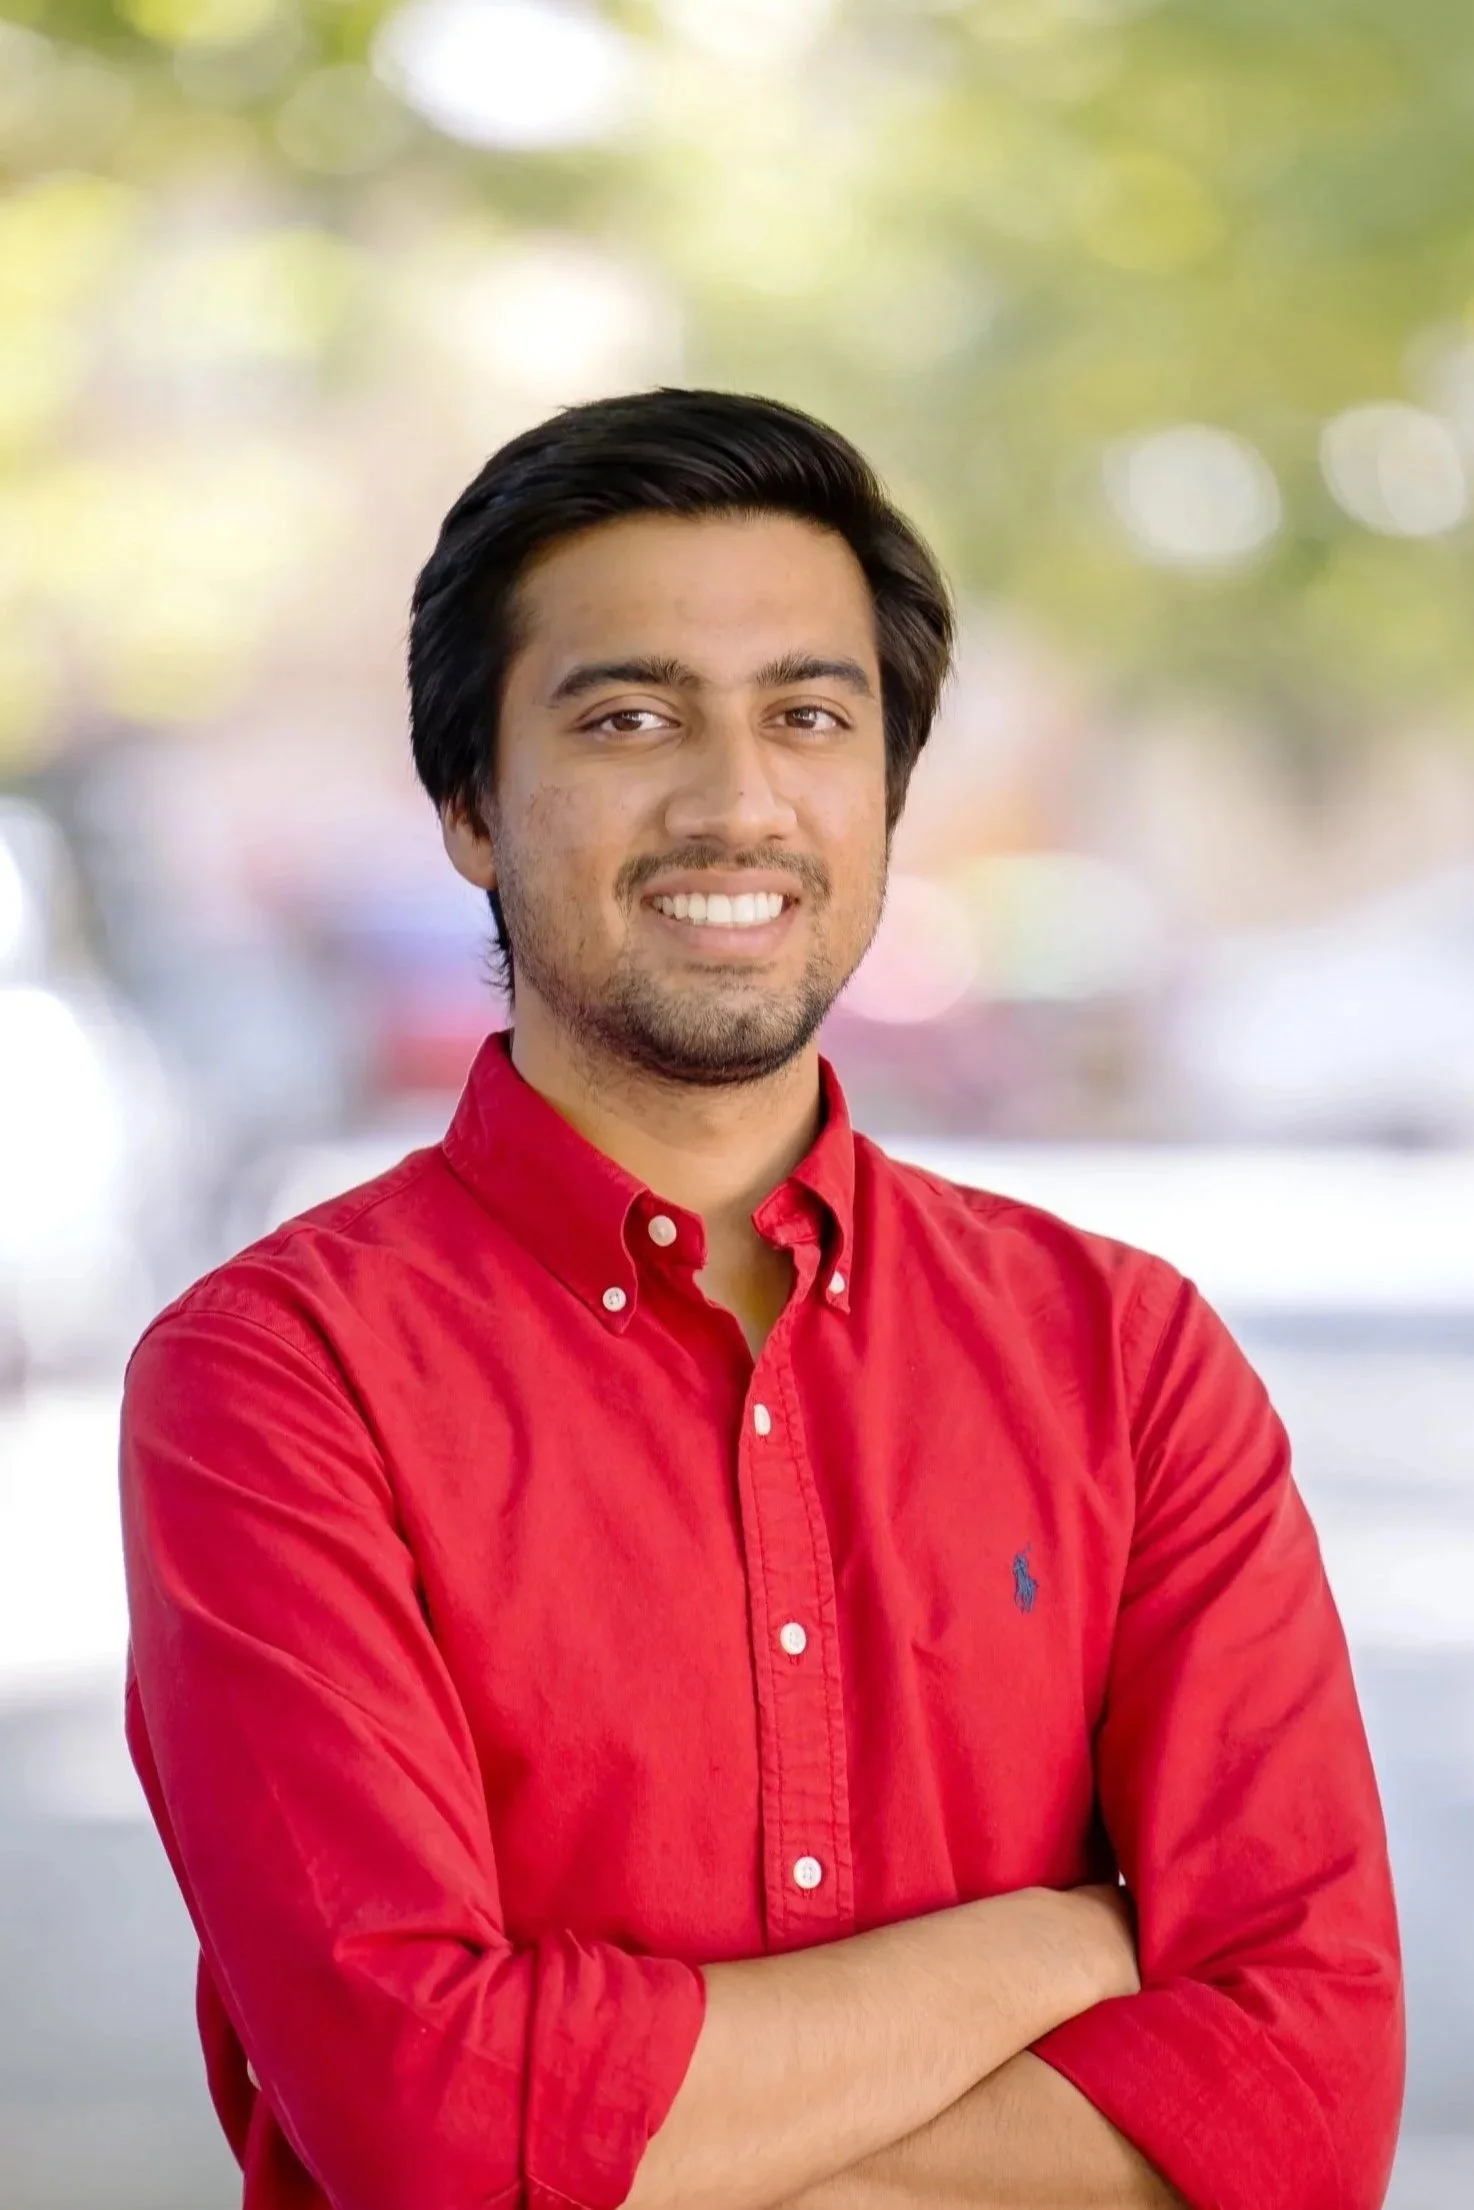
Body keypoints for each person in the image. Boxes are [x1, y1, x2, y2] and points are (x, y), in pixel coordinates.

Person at [119, 389, 1404, 2210]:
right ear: (470, 803)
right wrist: (1055, 1944)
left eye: (807, 717)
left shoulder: (1127, 1359)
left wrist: (635, 2139)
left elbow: (1305, 2110)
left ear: (884, 787)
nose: (734, 802)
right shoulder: (278, 1379)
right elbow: (430, 2133)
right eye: (629, 717)